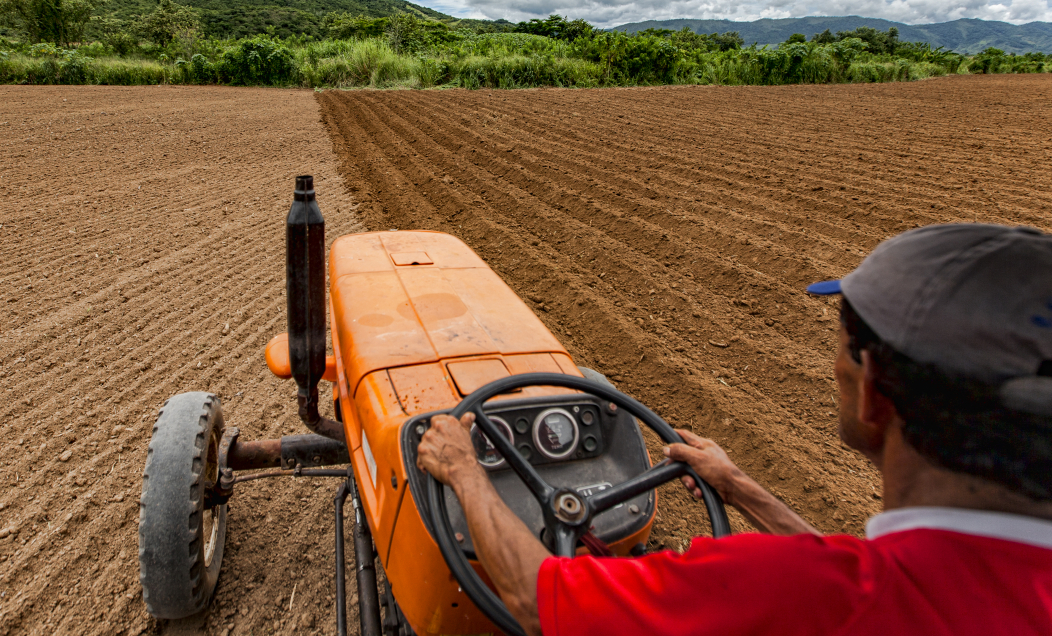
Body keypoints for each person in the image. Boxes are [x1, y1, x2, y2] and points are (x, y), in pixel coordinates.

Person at [417, 222, 1052, 635]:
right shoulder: (958, 583)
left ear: (875, 392)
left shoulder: (788, 589)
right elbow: (873, 588)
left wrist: (463, 469)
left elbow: (535, 600)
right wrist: (741, 487)